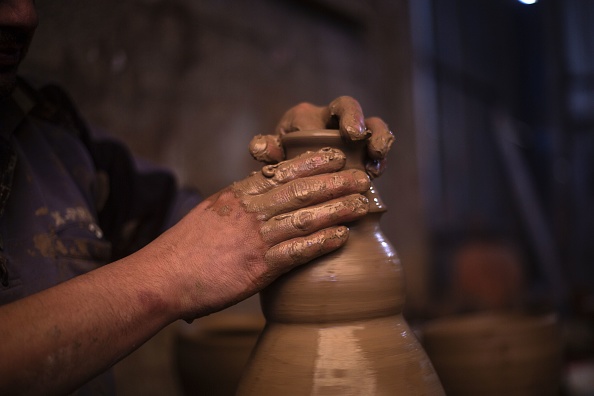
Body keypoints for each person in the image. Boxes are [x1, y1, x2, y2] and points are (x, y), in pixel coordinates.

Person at [0, 1, 394, 394]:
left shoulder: (52, 133)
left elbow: (203, 230)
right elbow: (187, 256)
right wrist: (169, 273)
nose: (21, 16)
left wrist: (302, 171)